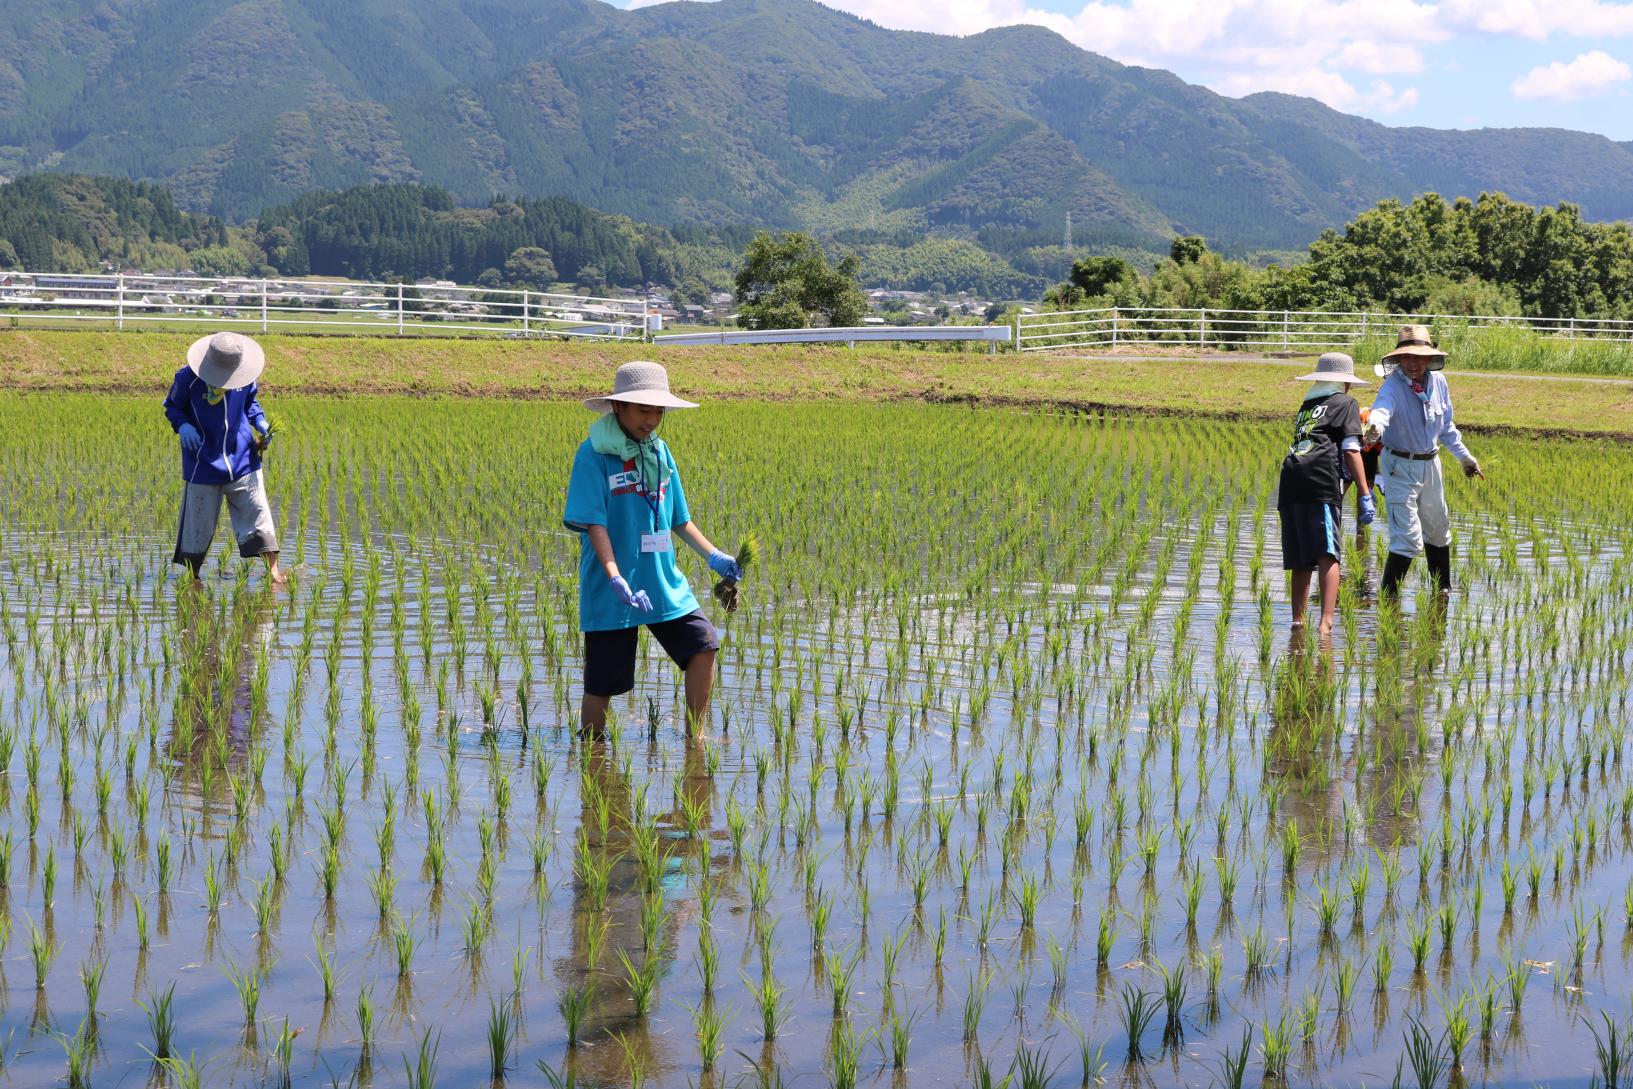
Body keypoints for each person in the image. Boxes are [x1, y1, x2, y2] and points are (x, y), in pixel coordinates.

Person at [563, 361, 743, 738]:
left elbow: (679, 518)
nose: (652, 419)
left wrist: (714, 557)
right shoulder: (594, 454)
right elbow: (595, 523)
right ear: (618, 407)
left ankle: (696, 739)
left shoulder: (659, 453)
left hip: (661, 581)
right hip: (614, 585)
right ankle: (592, 755)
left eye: (658, 410)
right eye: (643, 409)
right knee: (603, 684)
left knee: (704, 643)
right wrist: (615, 578)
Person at [1364, 325, 1483, 598]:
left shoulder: (1439, 383)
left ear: (1429, 359)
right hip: (1399, 466)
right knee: (1407, 538)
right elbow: (1382, 409)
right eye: (1406, 357)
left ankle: (1442, 591)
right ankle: (1388, 598)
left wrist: (1465, 457)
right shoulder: (1393, 385)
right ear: (1398, 359)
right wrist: (1375, 428)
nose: (1412, 363)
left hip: (1431, 464)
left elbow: (1446, 427)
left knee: (1438, 529)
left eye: (1418, 357)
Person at [164, 332, 285, 584]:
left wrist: (260, 421)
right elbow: (172, 406)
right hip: (202, 462)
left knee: (258, 515)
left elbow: (250, 403)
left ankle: (274, 574)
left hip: (243, 458)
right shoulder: (187, 378)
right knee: (198, 525)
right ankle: (193, 578)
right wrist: (183, 425)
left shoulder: (246, 376)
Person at [1276, 352, 1376, 635]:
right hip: (1320, 480)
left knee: (1300, 556)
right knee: (1328, 553)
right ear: (1344, 383)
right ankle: (1326, 625)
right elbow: (1351, 450)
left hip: (1291, 478)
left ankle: (1298, 621)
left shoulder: (1307, 405)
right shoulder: (1346, 404)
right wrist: (1365, 493)